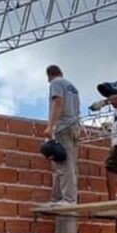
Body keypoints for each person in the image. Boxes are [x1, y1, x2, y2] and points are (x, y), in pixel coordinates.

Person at [44, 65, 81, 204]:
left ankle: (68, 199)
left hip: (64, 127)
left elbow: (58, 102)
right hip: (74, 127)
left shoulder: (56, 83)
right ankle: (58, 198)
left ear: (49, 76)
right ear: (61, 72)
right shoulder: (72, 87)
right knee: (63, 164)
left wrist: (50, 126)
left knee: (65, 164)